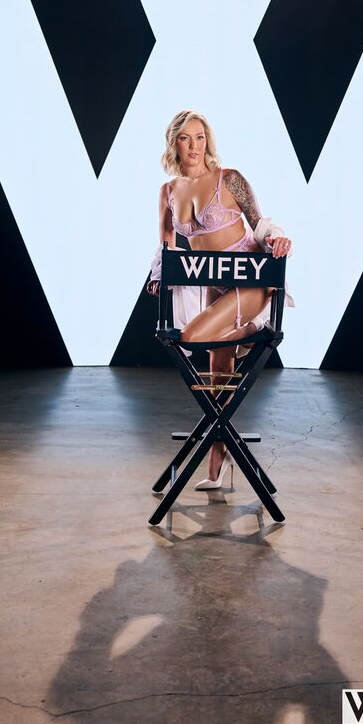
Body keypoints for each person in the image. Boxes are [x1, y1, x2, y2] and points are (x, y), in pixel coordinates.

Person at [146, 109, 293, 489]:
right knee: (218, 376)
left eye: (199, 137)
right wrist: (158, 275)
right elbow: (167, 245)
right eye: (185, 138)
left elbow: (260, 224)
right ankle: (218, 462)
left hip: (249, 282)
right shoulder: (168, 192)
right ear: (174, 143)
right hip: (213, 285)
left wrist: (277, 238)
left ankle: (252, 333)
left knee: (193, 337)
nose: (193, 145)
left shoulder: (230, 179)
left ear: (207, 141)